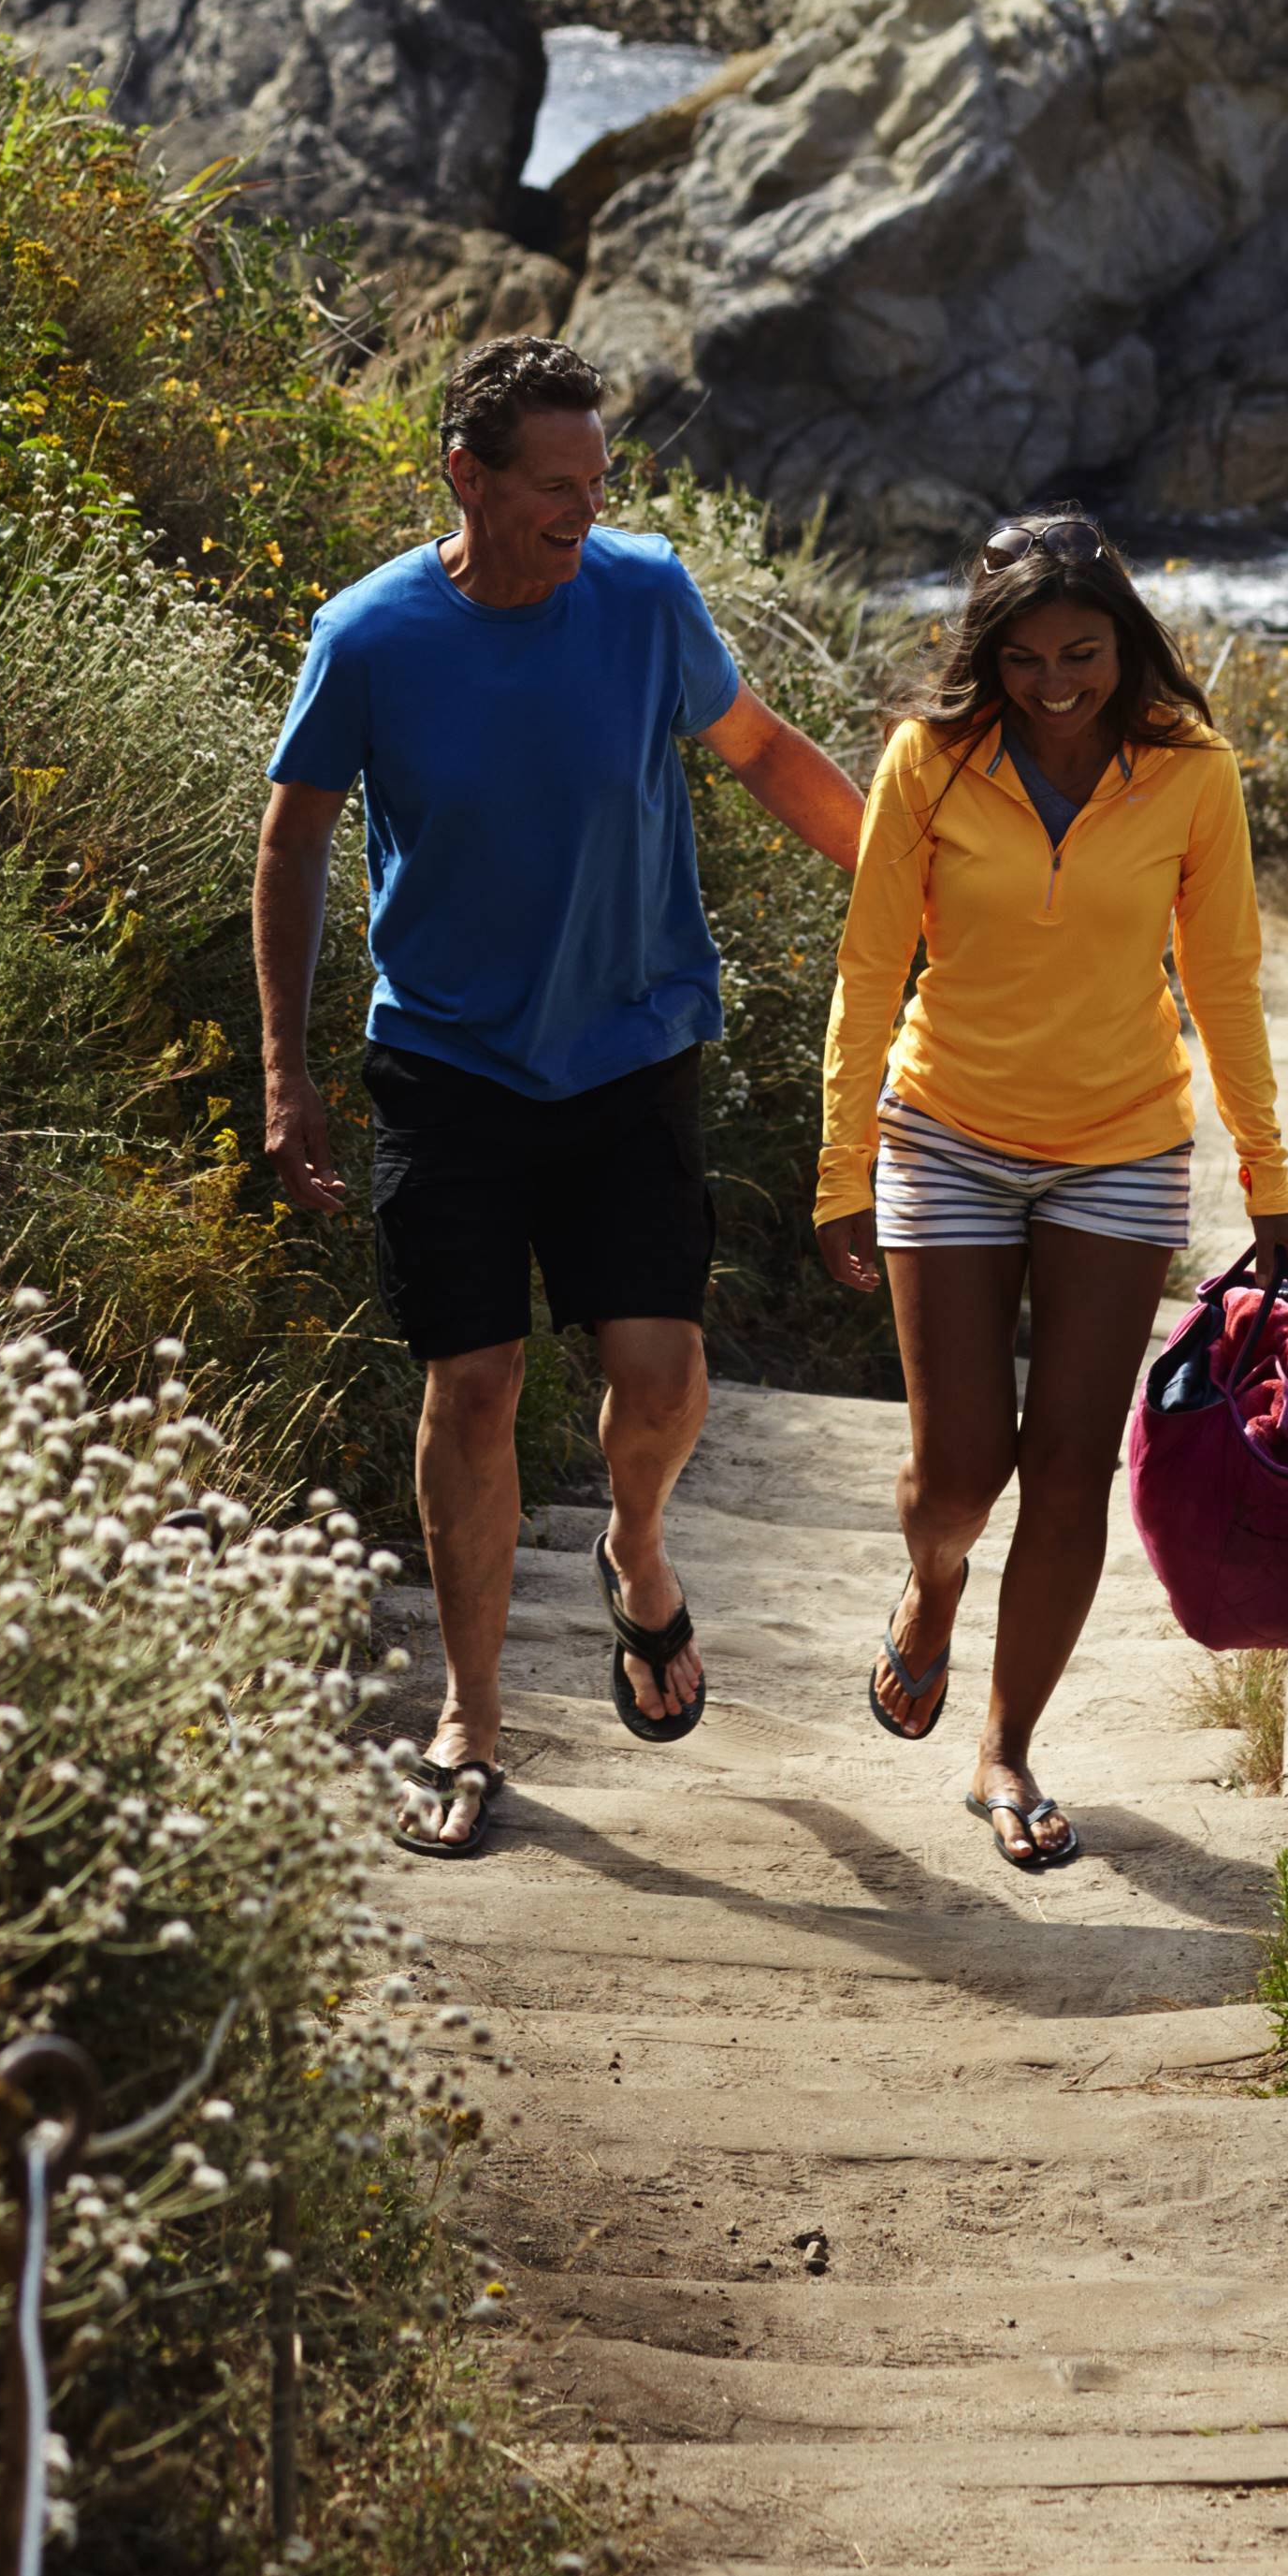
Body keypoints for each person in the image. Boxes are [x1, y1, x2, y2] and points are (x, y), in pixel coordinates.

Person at [256, 337, 865, 1858]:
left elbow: (765, 754)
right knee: (472, 1388)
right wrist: (286, 1065)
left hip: (631, 1053)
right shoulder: (371, 635)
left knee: (661, 1383)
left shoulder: (646, 597)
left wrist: (919, 895)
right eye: (554, 487)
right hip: (447, 1069)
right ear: (466, 475)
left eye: (598, 484)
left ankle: (635, 1551)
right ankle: (471, 1719)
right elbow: (295, 842)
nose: (581, 513)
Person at [814, 508, 1288, 1875]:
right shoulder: (931, 757)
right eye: (1025, 658)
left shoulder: (1190, 771)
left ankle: (1008, 1745)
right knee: (962, 1468)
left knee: (1072, 1469)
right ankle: (931, 1587)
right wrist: (839, 1161)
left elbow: (1221, 981)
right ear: (990, 652)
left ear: (1127, 644)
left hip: (1122, 1144)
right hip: (947, 1131)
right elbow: (869, 969)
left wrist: (1270, 1177)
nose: (1053, 684)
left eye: (1083, 654)